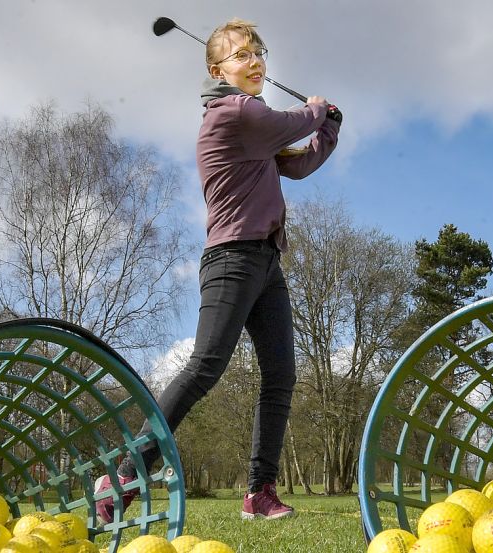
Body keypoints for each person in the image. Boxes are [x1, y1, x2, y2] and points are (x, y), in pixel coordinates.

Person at [94, 17, 341, 522]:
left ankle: (260, 492)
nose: (255, 62)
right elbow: (293, 124)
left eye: (259, 52)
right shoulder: (232, 114)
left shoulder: (256, 125)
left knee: (281, 376)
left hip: (267, 259)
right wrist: (318, 107)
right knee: (206, 364)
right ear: (216, 70)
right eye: (243, 55)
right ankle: (123, 473)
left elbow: (296, 163)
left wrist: (330, 127)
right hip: (231, 257)